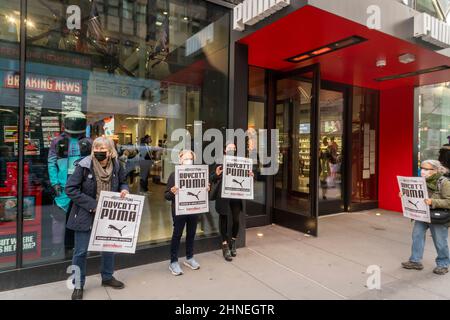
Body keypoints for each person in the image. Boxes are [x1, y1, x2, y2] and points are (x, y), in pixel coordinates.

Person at [65, 137, 129, 300]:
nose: (99, 152)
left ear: (110, 152)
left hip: (108, 215)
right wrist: (92, 204)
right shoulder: (84, 165)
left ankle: (107, 277)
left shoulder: (116, 165)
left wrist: (124, 190)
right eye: (96, 149)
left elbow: (123, 182)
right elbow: (70, 189)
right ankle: (78, 284)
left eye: (103, 149)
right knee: (80, 251)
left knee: (108, 248)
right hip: (86, 214)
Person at [400, 160, 450, 275]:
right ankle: (415, 261)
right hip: (422, 214)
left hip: (437, 216)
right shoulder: (419, 181)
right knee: (417, 236)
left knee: (440, 241)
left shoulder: (444, 182)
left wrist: (433, 201)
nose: (422, 171)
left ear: (436, 170)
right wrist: (404, 195)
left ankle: (443, 264)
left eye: (426, 169)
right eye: (421, 168)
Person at [164, 150, 205, 276]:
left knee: (191, 234)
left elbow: (202, 193)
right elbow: (166, 196)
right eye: (186, 158)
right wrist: (172, 192)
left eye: (190, 158)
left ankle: (189, 258)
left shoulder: (198, 174)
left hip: (193, 210)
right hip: (179, 211)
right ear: (180, 160)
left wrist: (206, 189)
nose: (188, 160)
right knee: (177, 235)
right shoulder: (173, 175)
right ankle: (173, 262)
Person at [210, 143, 253, 261]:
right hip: (223, 196)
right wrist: (217, 174)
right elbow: (212, 177)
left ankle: (233, 241)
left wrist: (249, 176)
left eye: (234, 148)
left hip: (235, 196)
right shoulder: (219, 161)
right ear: (224, 150)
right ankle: (225, 245)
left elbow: (244, 179)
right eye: (229, 148)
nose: (232, 150)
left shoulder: (240, 162)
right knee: (223, 218)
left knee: (236, 219)